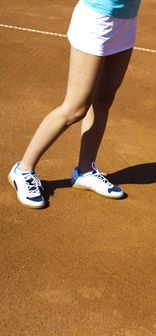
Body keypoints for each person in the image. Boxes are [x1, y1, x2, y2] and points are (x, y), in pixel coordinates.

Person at [8, 0, 142, 208]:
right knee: (76, 107)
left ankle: (85, 171)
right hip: (96, 20)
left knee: (104, 99)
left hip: (127, 21)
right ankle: (23, 170)